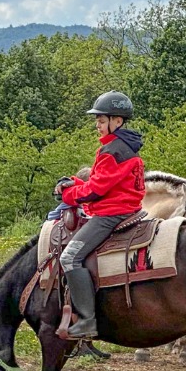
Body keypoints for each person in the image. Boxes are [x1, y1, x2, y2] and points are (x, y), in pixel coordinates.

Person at [54, 91, 145, 339]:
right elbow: (101, 180)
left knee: (69, 258)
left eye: (102, 120)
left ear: (117, 121)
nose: (97, 124)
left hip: (111, 214)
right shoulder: (124, 147)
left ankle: (87, 320)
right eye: (97, 120)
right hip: (128, 208)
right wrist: (73, 182)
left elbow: (94, 190)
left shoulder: (112, 151)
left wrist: (67, 195)